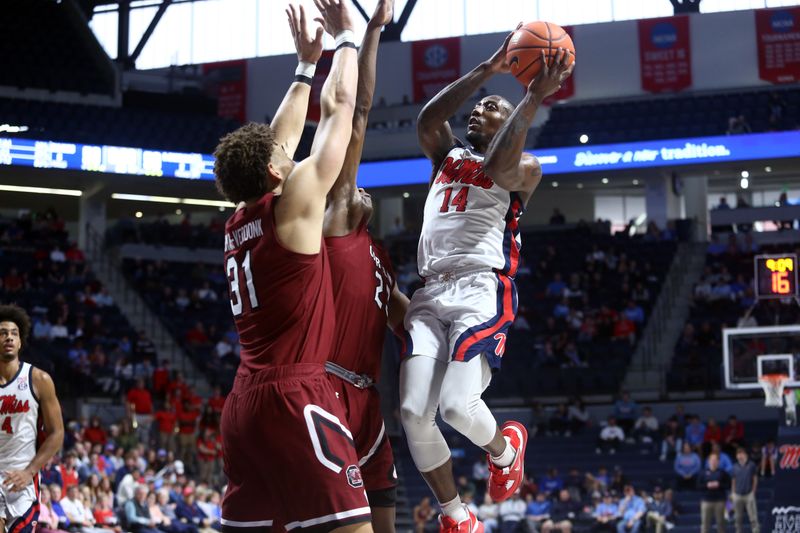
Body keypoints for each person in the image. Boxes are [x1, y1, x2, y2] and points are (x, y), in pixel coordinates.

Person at [400, 25, 573, 532]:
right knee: (412, 411)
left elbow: (499, 164)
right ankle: (457, 517)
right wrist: (487, 71)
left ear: (512, 117)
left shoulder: (528, 168)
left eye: (491, 106)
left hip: (480, 287)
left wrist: (531, 97)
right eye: (478, 108)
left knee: (456, 406)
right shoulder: (447, 157)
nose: (478, 110)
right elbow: (428, 119)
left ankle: (504, 451)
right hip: (430, 291)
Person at [213, 0, 368, 531]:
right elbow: (341, 107)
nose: (290, 153)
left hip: (243, 406)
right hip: (296, 394)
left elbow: (274, 143)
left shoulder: (239, 217)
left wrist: (305, 66)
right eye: (284, 157)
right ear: (277, 175)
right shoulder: (294, 203)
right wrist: (347, 39)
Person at [321, 2, 406, 532]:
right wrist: (371, 31)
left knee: (386, 519)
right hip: (326, 388)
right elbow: (359, 114)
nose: (363, 189)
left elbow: (406, 321)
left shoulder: (379, 254)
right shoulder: (335, 223)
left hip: (370, 399)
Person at [0, 304, 65, 533]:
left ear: (20, 342)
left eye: (14, 333)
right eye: (3, 333)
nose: (8, 337)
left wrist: (30, 472)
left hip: (23, 476)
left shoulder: (38, 379)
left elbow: (57, 433)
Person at [697, 454, 730, 533]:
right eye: (712, 460)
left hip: (720, 501)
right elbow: (698, 486)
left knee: (721, 524)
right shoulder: (703, 473)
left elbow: (728, 485)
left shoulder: (723, 473)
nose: (713, 462)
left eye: (715, 460)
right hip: (706, 501)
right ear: (708, 461)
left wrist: (719, 485)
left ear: (718, 462)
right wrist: (707, 485)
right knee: (705, 524)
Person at [731, 448, 760, 533]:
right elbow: (733, 480)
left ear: (746, 455)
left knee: (753, 517)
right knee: (737, 518)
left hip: (748, 494)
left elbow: (755, 479)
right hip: (737, 495)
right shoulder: (734, 467)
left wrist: (753, 491)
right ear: (736, 456)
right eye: (738, 454)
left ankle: (756, 531)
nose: (740, 455)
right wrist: (733, 493)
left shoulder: (751, 465)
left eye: (742, 453)